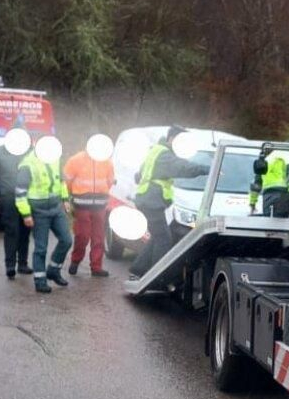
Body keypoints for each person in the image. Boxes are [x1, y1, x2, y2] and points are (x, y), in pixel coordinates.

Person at [128, 126, 202, 278]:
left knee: (158, 236)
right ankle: (156, 276)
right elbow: (185, 168)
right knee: (164, 239)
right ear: (172, 139)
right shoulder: (165, 155)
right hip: (151, 202)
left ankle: (138, 269)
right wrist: (209, 169)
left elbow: (139, 174)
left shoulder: (156, 150)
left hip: (147, 199)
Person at [15, 136, 73, 294]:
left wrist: (65, 199)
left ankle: (53, 270)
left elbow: (61, 181)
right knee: (41, 248)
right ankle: (40, 281)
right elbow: (20, 194)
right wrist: (26, 214)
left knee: (67, 240)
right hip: (38, 211)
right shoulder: (27, 164)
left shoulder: (55, 158)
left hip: (56, 207)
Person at [64, 134, 116, 278]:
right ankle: (75, 260)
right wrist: (69, 198)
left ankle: (96, 267)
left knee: (98, 237)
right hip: (81, 206)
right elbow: (67, 182)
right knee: (82, 236)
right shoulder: (75, 160)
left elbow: (110, 181)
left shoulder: (107, 162)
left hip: (100, 205)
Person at [0, 129, 32, 278]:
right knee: (12, 230)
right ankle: (10, 265)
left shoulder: (30, 151)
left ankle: (23, 263)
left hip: (26, 197)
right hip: (8, 197)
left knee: (25, 230)